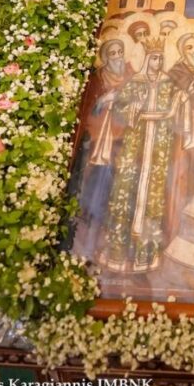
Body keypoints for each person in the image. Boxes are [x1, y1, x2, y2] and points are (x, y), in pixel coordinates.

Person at [97, 37, 182, 273]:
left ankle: (145, 255)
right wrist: (132, 108)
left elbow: (174, 114)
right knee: (125, 191)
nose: (158, 62)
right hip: (135, 146)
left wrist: (177, 105)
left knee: (153, 197)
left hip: (158, 148)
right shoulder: (135, 82)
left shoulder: (168, 83)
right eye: (154, 58)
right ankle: (117, 254)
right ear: (146, 60)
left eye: (160, 58)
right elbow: (120, 109)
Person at [70, 38, 134, 259]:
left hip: (122, 140)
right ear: (105, 57)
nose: (117, 57)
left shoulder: (131, 74)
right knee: (97, 186)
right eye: (112, 53)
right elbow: (89, 109)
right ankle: (89, 237)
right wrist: (103, 101)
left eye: (120, 52)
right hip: (99, 144)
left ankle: (111, 238)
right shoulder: (97, 78)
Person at [165, 32, 194, 240]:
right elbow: (170, 100)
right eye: (189, 47)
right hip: (183, 134)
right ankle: (176, 226)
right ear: (182, 51)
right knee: (182, 175)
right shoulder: (175, 72)